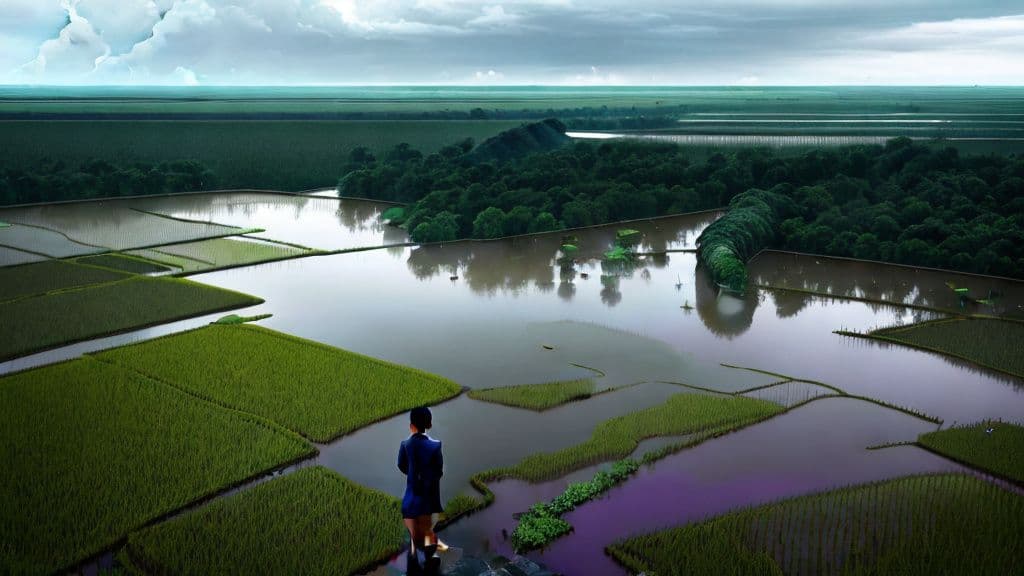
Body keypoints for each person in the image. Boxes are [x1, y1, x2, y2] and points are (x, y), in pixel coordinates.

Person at [397, 406, 447, 566]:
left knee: (413, 540)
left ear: (411, 425)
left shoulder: (405, 445)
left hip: (410, 502)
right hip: (428, 502)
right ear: (429, 424)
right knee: (429, 536)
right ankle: (431, 562)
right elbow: (438, 472)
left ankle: (412, 563)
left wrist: (414, 476)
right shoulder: (435, 446)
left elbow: (401, 465)